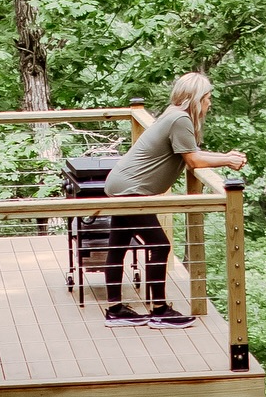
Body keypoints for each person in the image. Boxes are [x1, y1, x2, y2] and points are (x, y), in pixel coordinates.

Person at [101, 73, 246, 325]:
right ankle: (159, 311)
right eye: (208, 98)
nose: (210, 104)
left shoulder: (173, 113)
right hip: (131, 190)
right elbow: (193, 160)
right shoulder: (180, 119)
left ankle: (115, 310)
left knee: (118, 245)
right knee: (159, 245)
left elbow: (191, 152)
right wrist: (228, 160)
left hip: (121, 184)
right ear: (196, 98)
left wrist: (224, 155)